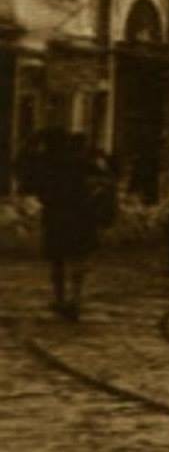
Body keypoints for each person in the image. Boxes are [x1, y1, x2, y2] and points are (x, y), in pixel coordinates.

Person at [25, 129, 108, 320]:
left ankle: (60, 298)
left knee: (58, 260)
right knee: (79, 258)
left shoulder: (48, 165)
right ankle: (76, 298)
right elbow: (103, 182)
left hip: (56, 216)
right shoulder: (83, 163)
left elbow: (35, 186)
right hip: (81, 215)